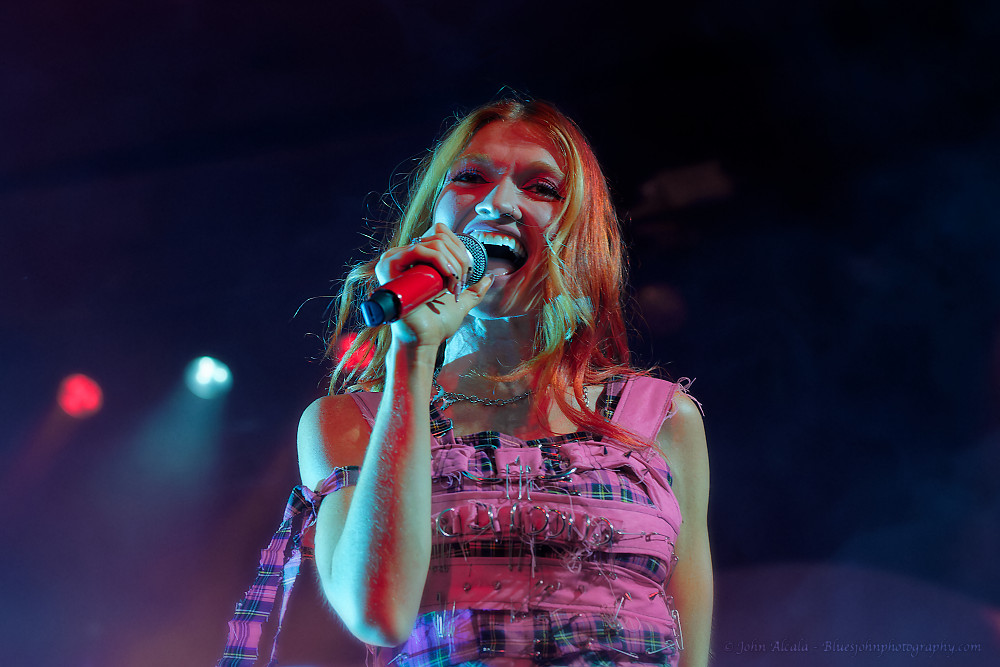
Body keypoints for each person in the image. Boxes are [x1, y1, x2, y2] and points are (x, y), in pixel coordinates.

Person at [220, 98, 712, 667]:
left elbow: (689, 644)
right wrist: (414, 352)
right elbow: (377, 614)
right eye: (471, 178)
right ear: (434, 215)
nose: (499, 203)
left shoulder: (660, 420)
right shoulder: (348, 423)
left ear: (582, 235)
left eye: (542, 188)